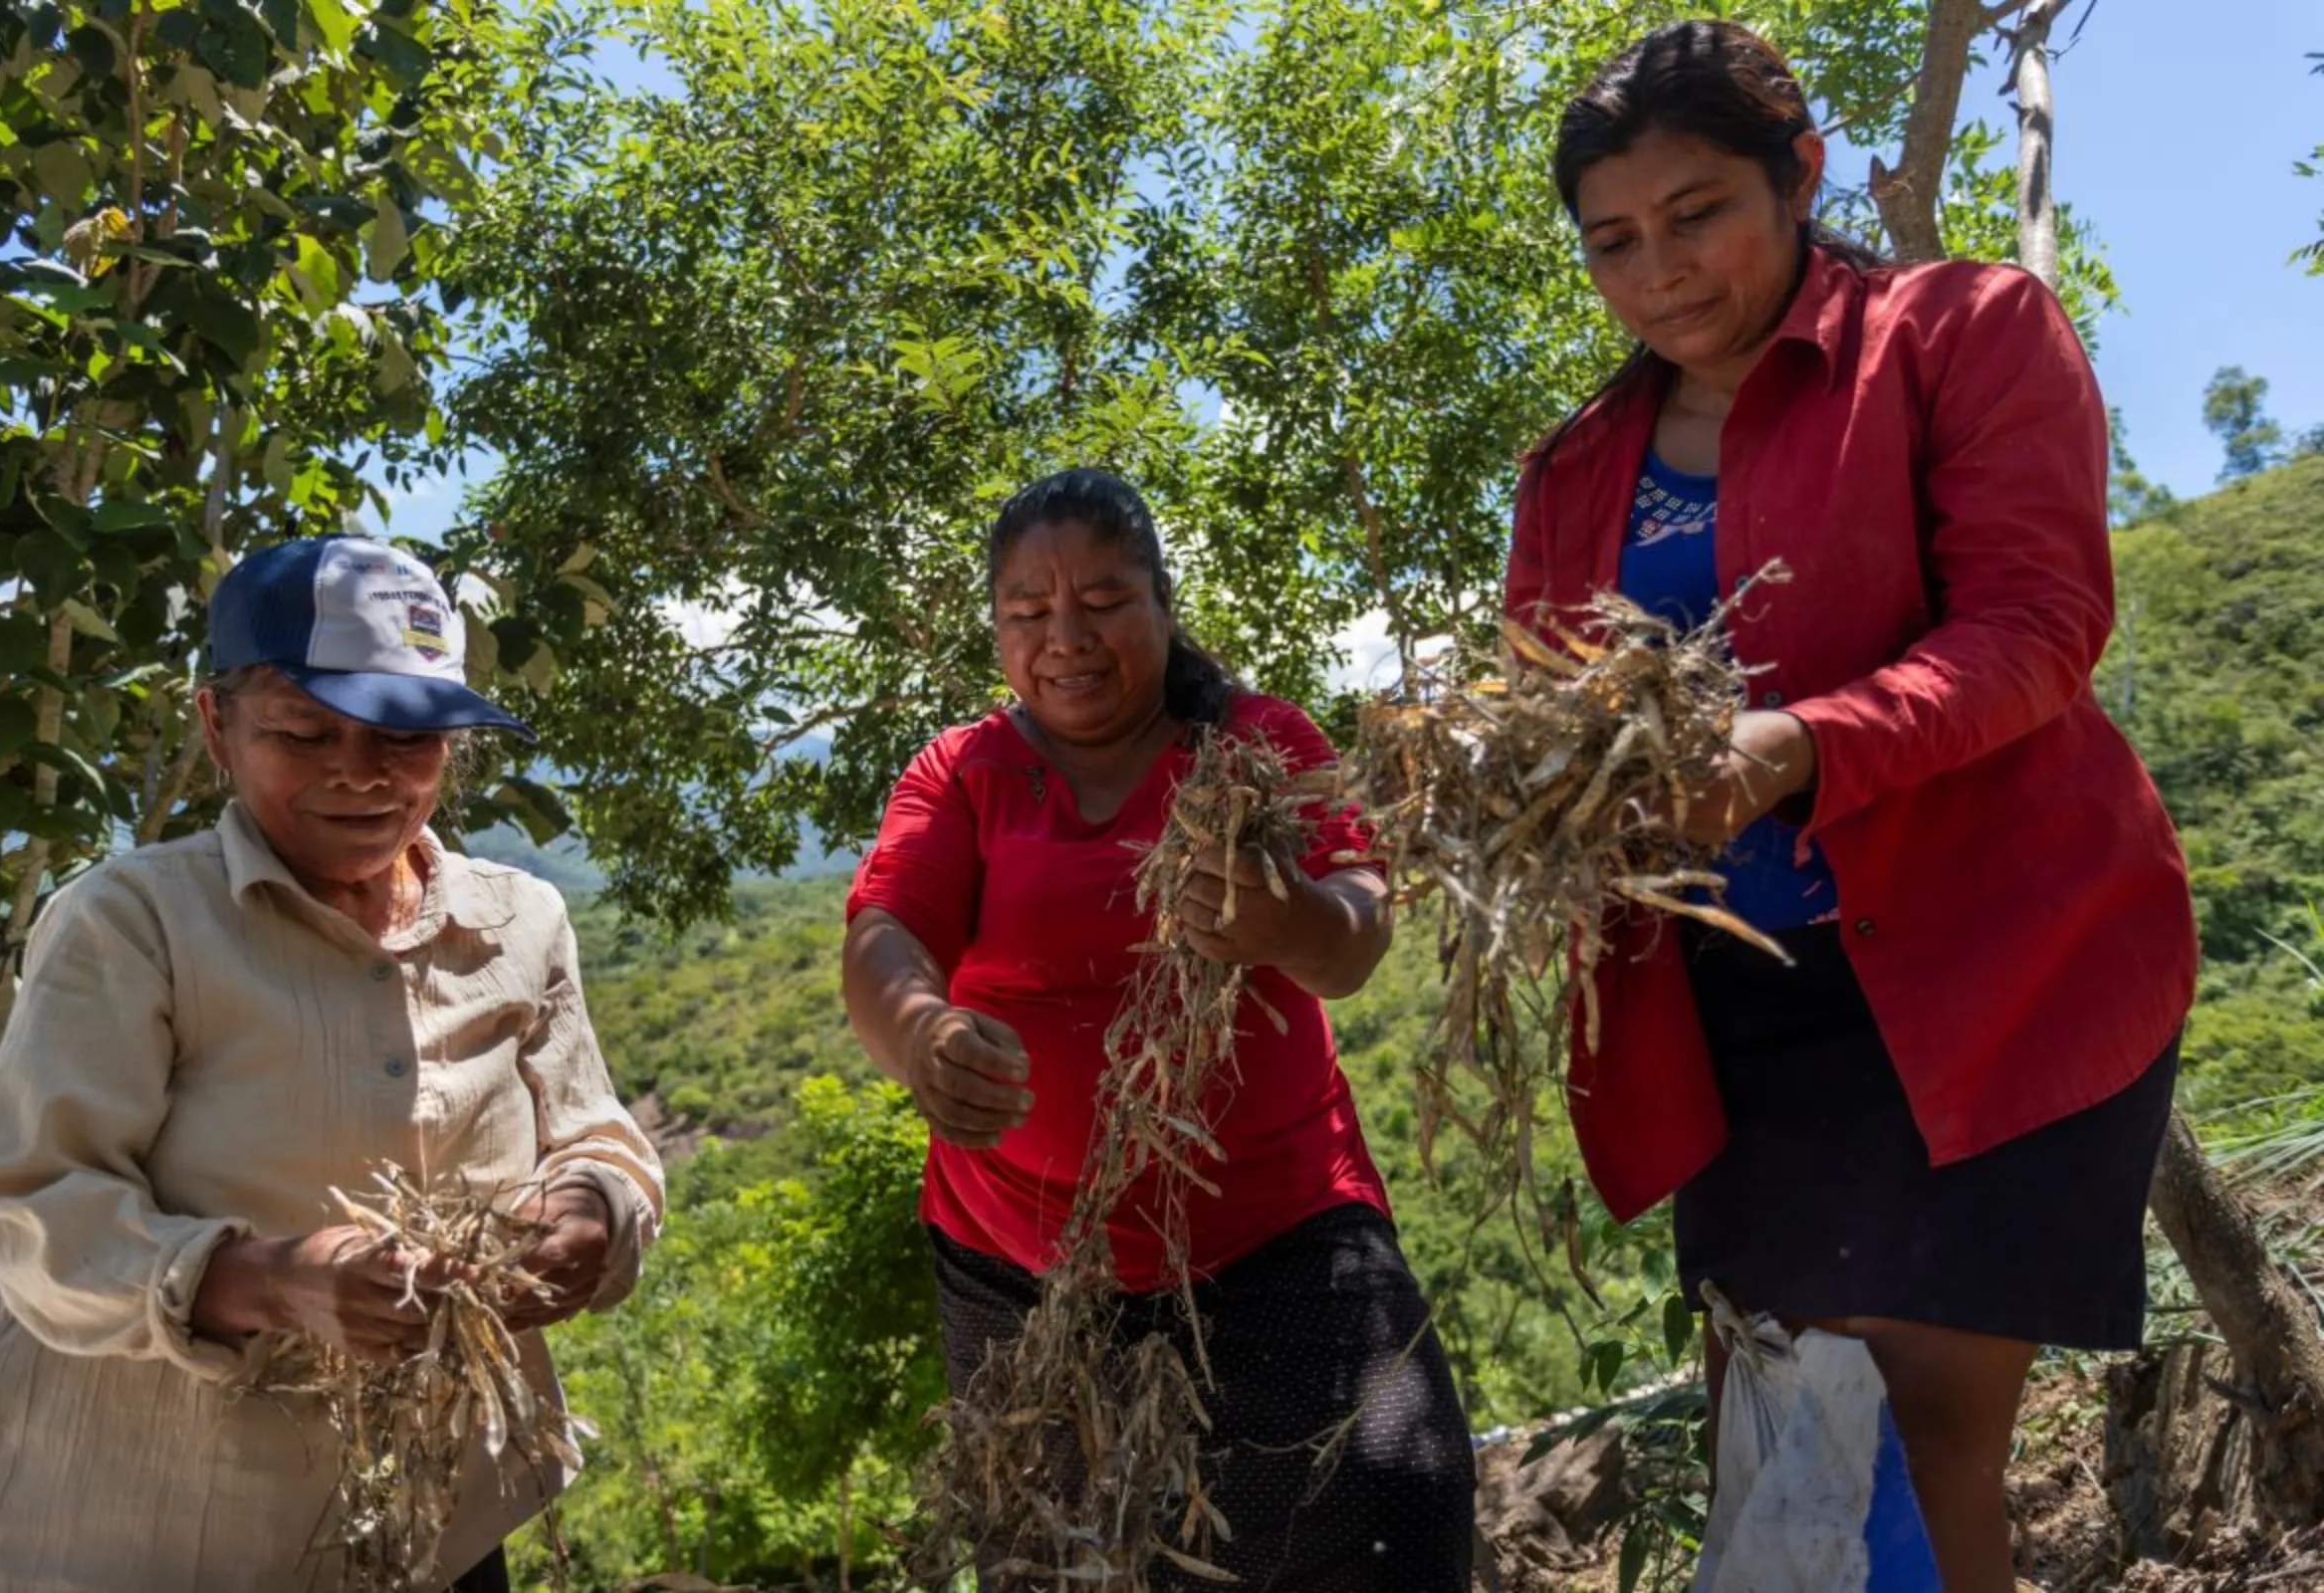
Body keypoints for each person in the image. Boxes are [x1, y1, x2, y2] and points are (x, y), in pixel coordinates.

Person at [1509, 21, 2199, 1592]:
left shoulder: (1962, 333)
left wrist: (1789, 747)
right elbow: (1557, 731)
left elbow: (2034, 627)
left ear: (1802, 173)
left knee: (1910, 1433)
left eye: (1698, 214)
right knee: (1797, 1427)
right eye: (1612, 242)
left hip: (1993, 974)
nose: (1658, 270)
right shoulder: (1572, 477)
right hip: (1734, 1017)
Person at [0, 536, 664, 1593]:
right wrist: (270, 1280)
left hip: (435, 1517)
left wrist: (591, 1210)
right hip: (166, 1527)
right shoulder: (133, 924)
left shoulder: (518, 921)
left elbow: (597, 1132)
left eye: (406, 738)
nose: (361, 772)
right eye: (304, 731)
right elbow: (30, 1210)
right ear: (216, 726)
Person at [842, 468, 1478, 1590]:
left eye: (1102, 600)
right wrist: (922, 1033)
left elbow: (1358, 932)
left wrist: (1287, 917)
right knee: (1069, 1556)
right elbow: (886, 933)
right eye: (1027, 614)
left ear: (1162, 603)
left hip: (1278, 1239)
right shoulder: (965, 771)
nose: (1065, 638)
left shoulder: (1256, 745)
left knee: (1390, 1486)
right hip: (1024, 1272)